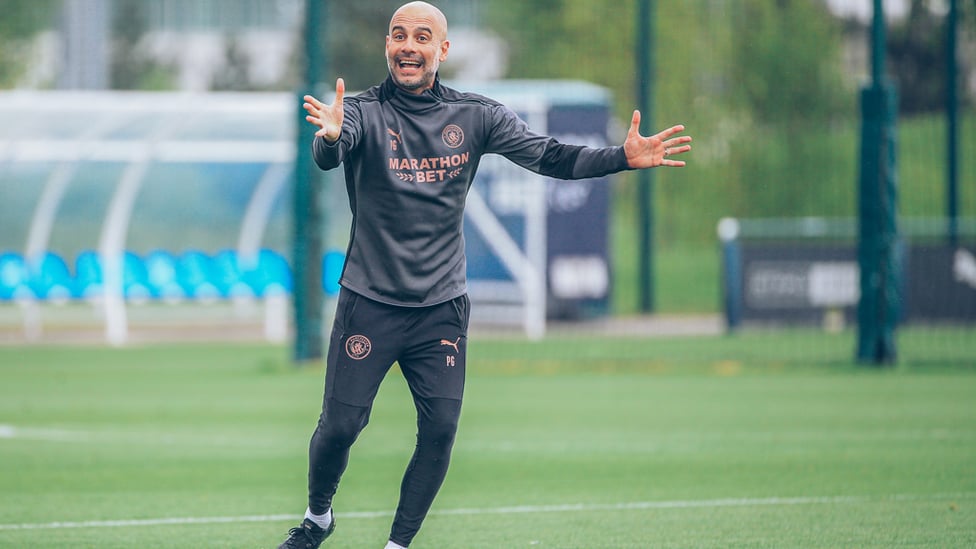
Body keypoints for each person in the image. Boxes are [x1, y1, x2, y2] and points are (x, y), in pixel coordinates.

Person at [277, 2, 691, 548]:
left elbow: (549, 157)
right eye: (398, 35)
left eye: (422, 37)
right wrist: (329, 137)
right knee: (340, 428)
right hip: (369, 303)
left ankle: (397, 546)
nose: (408, 46)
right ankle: (318, 519)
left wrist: (621, 157)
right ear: (386, 45)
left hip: (440, 307)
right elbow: (331, 153)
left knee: (442, 429)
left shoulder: (476, 116)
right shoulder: (359, 111)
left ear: (442, 50)